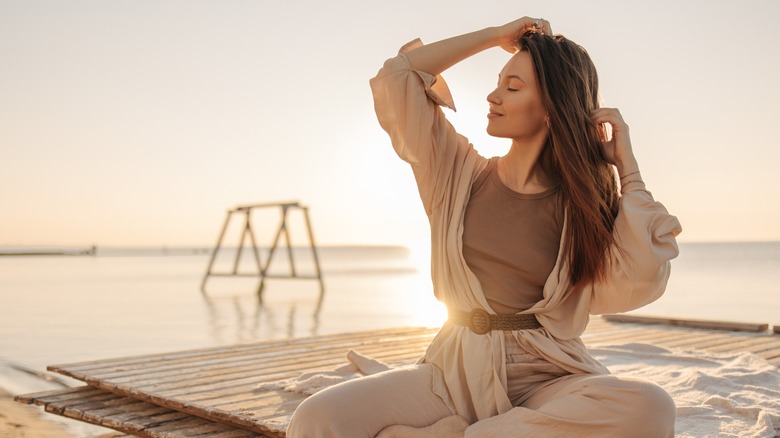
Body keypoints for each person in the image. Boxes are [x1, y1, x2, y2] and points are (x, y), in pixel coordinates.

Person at [287, 16, 682, 438]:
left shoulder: (584, 204)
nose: (493, 96)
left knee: (650, 407)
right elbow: (398, 75)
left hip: (549, 375)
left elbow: (641, 280)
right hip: (451, 374)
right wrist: (498, 36)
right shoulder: (454, 171)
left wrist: (628, 167)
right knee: (317, 418)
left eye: (513, 88)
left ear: (553, 107)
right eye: (498, 82)